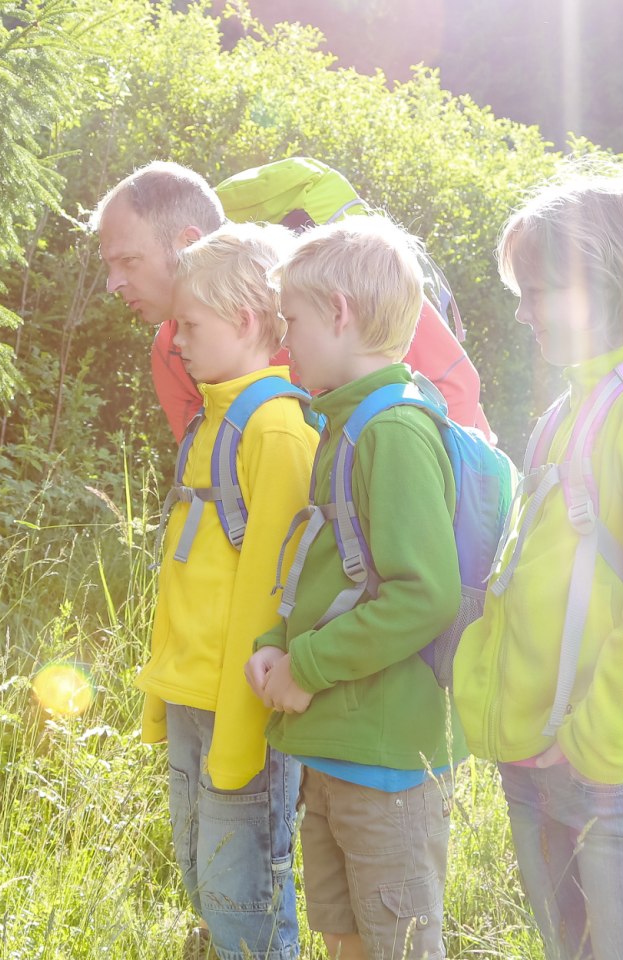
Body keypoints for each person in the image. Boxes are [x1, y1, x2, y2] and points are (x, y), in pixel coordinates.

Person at [452, 167, 623, 960]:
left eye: (539, 288)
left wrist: (597, 741)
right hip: (543, 754)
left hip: (620, 770)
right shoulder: (571, 407)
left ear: (604, 282)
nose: (522, 309)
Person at [245, 215, 462, 960]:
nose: (285, 340)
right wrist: (276, 644)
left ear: (338, 313)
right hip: (334, 749)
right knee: (344, 941)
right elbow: (321, 565)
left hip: (386, 763)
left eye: (293, 320)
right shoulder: (342, 424)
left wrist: (307, 665)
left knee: (397, 947)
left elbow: (423, 594)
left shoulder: (392, 432)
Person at [140, 223, 317, 960]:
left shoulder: (274, 430)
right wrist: (161, 698)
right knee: (204, 885)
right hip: (194, 701)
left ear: (246, 322)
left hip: (240, 715)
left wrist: (243, 740)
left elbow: (268, 596)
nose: (176, 339)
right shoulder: (212, 421)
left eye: (190, 324)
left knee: (242, 896)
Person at [94, 161, 490, 441]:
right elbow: (212, 481)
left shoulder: (333, 279)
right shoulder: (173, 351)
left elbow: (454, 386)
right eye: (109, 266)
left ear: (190, 244)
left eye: (128, 260)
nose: (113, 284)